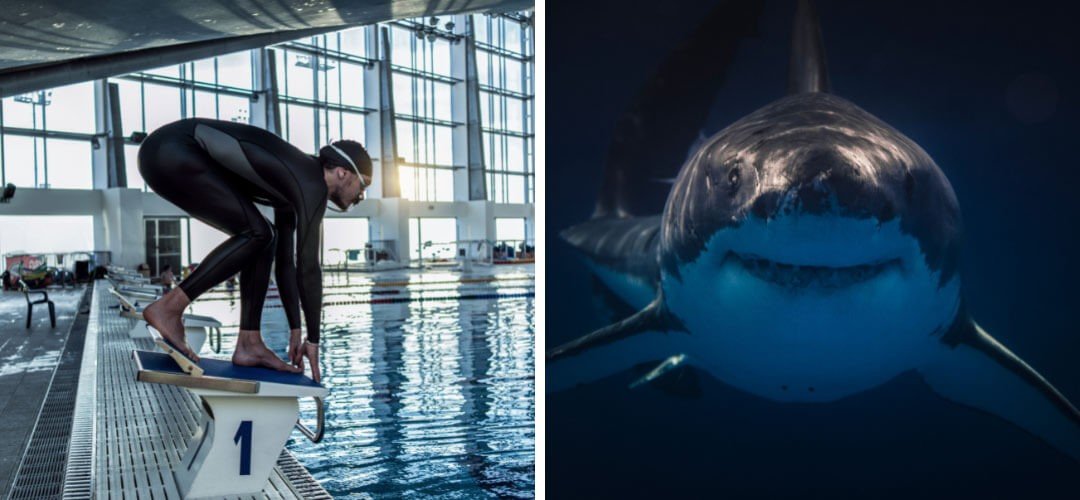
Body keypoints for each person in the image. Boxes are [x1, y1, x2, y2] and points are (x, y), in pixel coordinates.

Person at [137, 118, 372, 382]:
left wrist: (296, 329)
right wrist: (314, 340)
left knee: (264, 238)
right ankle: (169, 308)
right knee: (258, 233)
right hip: (172, 150)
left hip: (164, 154)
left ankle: (249, 342)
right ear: (343, 173)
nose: (359, 197)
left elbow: (287, 264)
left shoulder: (296, 184)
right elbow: (309, 267)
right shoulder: (311, 185)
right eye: (362, 186)